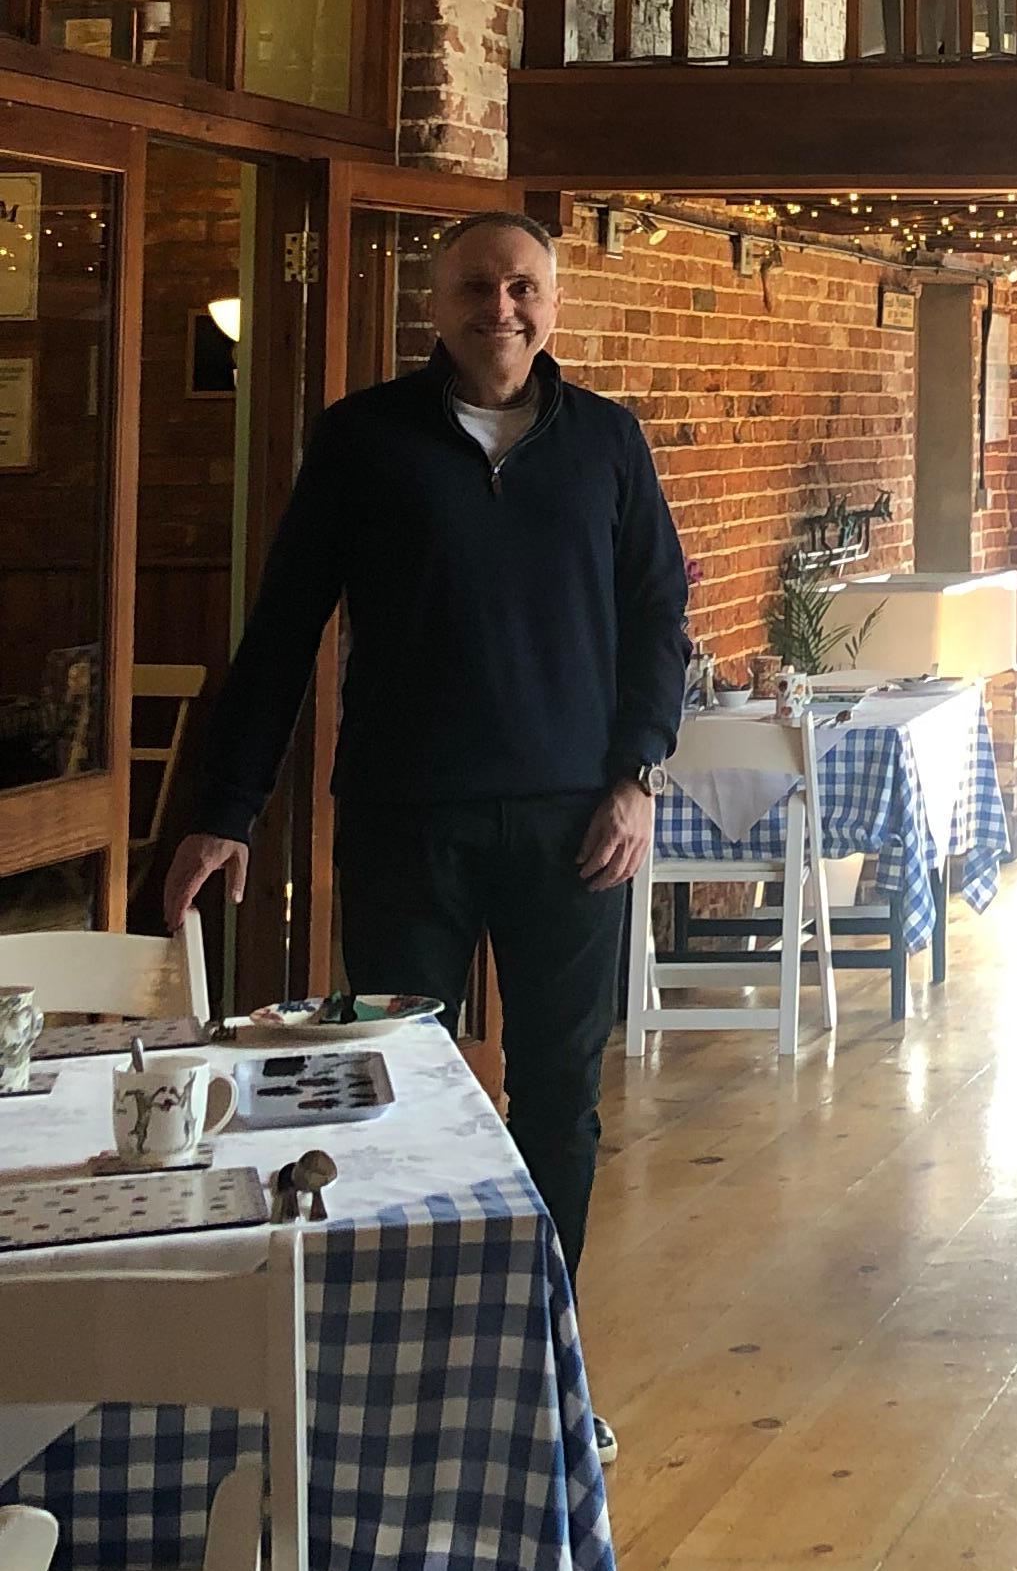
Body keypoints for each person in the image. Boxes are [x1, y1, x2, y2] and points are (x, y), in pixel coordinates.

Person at [164, 211, 687, 1333]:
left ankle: (540, 1344)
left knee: (558, 1099)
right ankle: (417, 1338)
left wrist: (638, 775)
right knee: (396, 1093)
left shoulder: (608, 442)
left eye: (523, 287)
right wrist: (227, 810)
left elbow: (658, 619)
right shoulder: (362, 439)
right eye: (476, 290)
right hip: (407, 824)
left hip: (576, 827)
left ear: (553, 300)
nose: (502, 309)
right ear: (435, 306)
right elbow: (283, 628)